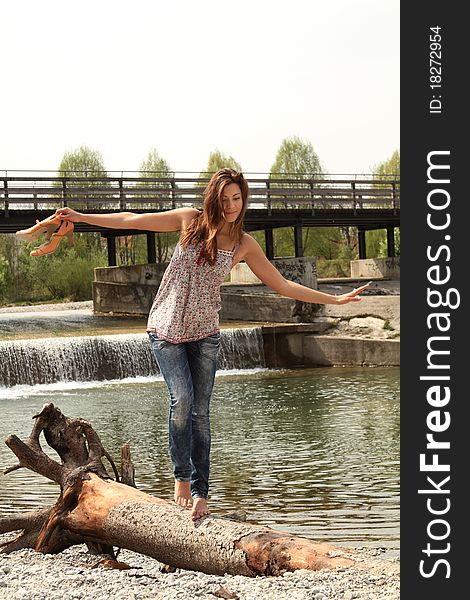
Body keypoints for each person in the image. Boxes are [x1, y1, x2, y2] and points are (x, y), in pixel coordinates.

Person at [54, 168, 369, 520]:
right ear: (213, 200)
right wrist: (81, 217)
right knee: (183, 400)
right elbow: (132, 218)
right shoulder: (189, 222)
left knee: (201, 414)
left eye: (237, 198)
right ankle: (182, 479)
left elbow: (281, 285)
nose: (231, 206)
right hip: (166, 328)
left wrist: (335, 300)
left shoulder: (244, 244)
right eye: (224, 199)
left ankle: (202, 493)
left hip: (205, 334)